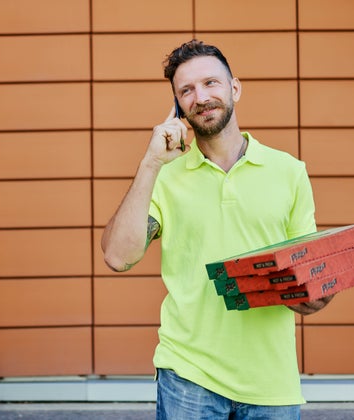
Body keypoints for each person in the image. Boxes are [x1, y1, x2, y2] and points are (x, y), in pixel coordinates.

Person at [101, 39, 333, 419]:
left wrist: (315, 292)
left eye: (211, 83)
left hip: (270, 381)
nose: (201, 97)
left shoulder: (289, 171)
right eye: (187, 90)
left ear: (235, 88)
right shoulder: (164, 176)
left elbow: (305, 269)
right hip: (189, 376)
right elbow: (117, 256)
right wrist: (150, 163)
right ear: (177, 106)